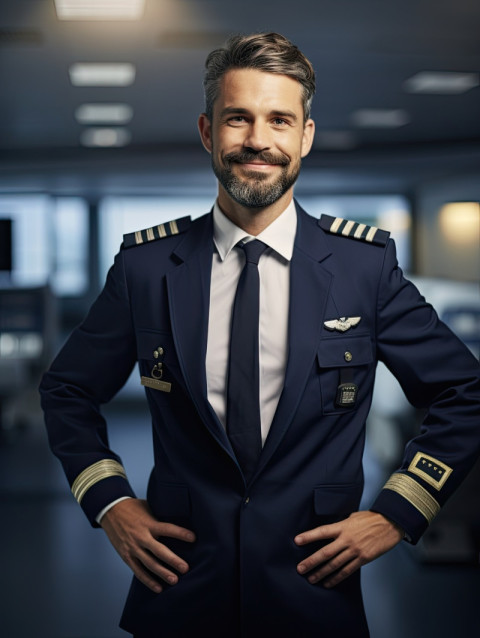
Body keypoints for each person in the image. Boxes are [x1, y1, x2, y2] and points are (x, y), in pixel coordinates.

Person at [40, 32, 480, 638]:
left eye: (279, 120)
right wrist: (109, 502)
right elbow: (67, 389)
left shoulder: (363, 267)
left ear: (305, 136)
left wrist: (397, 513)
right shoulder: (146, 267)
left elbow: (464, 393)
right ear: (206, 131)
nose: (257, 140)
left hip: (314, 591)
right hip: (178, 587)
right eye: (237, 119)